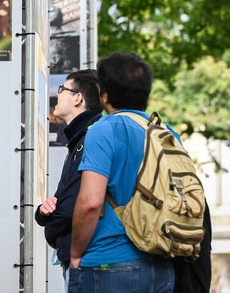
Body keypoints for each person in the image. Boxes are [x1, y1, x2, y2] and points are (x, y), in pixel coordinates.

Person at [69, 51, 175, 292]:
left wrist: (75, 254)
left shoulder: (104, 129)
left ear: (105, 95)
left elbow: (90, 203)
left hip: (109, 264)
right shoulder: (166, 133)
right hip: (162, 266)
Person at [35, 70, 102, 289]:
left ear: (78, 98)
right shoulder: (80, 138)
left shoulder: (90, 138)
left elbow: (73, 206)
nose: (58, 95)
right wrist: (42, 212)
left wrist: (50, 231)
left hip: (86, 263)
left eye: (62, 89)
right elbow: (62, 200)